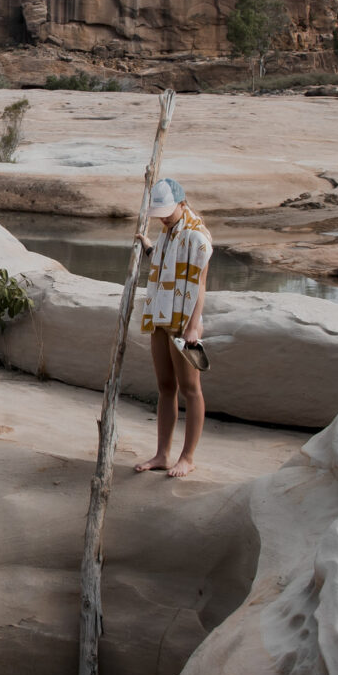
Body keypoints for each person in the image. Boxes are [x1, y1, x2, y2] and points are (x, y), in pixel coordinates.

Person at [133, 177, 211, 477]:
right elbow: (168, 267)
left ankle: (187, 457)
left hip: (183, 321)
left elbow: (199, 284)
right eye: (160, 212)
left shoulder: (197, 236)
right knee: (166, 387)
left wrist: (192, 328)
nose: (163, 217)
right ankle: (162, 454)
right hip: (161, 317)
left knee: (191, 389)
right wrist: (149, 247)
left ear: (182, 203)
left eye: (168, 210)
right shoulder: (167, 233)